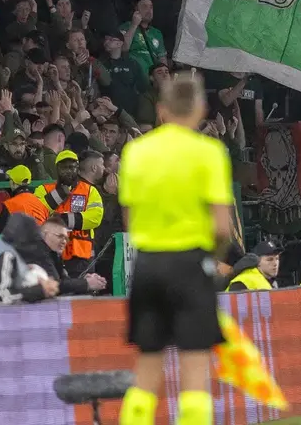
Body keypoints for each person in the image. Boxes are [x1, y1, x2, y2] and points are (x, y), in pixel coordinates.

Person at [117, 71, 234, 425]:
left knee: (146, 369)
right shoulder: (208, 152)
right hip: (190, 263)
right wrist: (214, 260)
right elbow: (221, 227)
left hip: (149, 264)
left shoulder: (136, 151)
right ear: (200, 109)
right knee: (194, 369)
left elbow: (129, 218)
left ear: (162, 109)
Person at [33, 149, 103, 277]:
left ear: (78, 168)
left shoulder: (89, 191)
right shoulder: (43, 189)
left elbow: (96, 217)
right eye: (64, 167)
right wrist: (58, 195)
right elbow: (36, 213)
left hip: (81, 255)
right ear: (57, 170)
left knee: (83, 294)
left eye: (72, 167)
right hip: (52, 254)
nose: (68, 171)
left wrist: (66, 220)